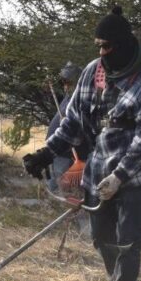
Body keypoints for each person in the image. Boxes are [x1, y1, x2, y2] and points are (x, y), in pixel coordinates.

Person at [22, 6, 141, 281]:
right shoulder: (94, 72)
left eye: (107, 46)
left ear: (124, 43)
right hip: (101, 166)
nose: (102, 53)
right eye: (98, 46)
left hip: (138, 170)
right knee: (101, 235)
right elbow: (73, 120)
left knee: (127, 237)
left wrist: (120, 177)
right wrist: (47, 153)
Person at [45, 61, 89, 194]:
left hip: (67, 152)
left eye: (69, 82)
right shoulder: (69, 97)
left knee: (62, 185)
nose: (65, 86)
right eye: (64, 82)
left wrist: (69, 123)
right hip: (57, 149)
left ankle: (65, 205)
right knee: (54, 183)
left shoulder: (82, 100)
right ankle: (55, 204)